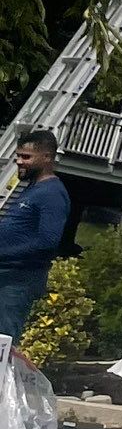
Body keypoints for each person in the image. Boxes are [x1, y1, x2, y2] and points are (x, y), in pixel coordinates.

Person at [0, 132, 73, 344]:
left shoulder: (52, 193)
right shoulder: (33, 189)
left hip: (18, 280)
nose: (19, 161)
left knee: (3, 342)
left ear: (47, 158)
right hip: (7, 275)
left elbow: (48, 241)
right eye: (18, 156)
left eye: (26, 157)